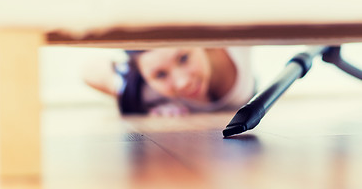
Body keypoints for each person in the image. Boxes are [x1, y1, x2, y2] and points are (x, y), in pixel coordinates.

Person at [82, 47, 256, 116]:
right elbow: (88, 71)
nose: (182, 83)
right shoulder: (149, 90)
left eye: (184, 58)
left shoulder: (235, 46)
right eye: (160, 75)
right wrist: (130, 93)